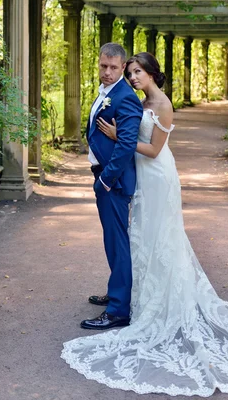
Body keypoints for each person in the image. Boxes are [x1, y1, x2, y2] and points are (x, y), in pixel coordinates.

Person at [62, 52, 228, 396]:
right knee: (140, 237)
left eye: (137, 73)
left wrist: (121, 138)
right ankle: (131, 293)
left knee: (158, 236)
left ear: (151, 74)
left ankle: (140, 300)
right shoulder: (141, 100)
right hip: (143, 175)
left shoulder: (161, 105)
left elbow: (154, 149)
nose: (133, 78)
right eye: (130, 73)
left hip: (157, 174)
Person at [80, 43, 143, 330]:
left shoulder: (125, 97)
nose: (107, 72)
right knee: (111, 241)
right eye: (103, 66)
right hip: (103, 177)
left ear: (122, 68)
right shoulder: (106, 92)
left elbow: (128, 144)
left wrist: (106, 180)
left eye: (113, 68)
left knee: (118, 244)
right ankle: (115, 291)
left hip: (113, 183)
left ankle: (118, 310)